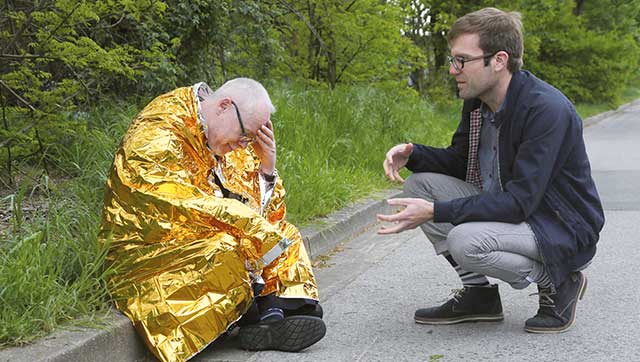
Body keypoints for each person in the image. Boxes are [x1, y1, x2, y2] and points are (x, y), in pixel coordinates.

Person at [378, 7, 604, 334]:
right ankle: (480, 297)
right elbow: (461, 161)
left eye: (462, 60)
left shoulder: (546, 110)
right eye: (452, 60)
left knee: (465, 240)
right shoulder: (478, 99)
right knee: (420, 186)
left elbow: (519, 203)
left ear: (498, 60)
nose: (454, 70)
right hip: (515, 210)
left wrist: (436, 211)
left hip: (560, 225)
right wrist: (413, 154)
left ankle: (559, 282)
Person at [98, 78, 326, 362]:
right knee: (225, 247)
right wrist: (247, 224)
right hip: (150, 251)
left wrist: (267, 170)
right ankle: (264, 312)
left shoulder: (226, 137)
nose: (244, 145)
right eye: (245, 136)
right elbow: (169, 202)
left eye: (252, 139)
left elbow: (267, 217)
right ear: (224, 106)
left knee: (286, 233)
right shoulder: (159, 130)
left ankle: (273, 311)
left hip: (203, 236)